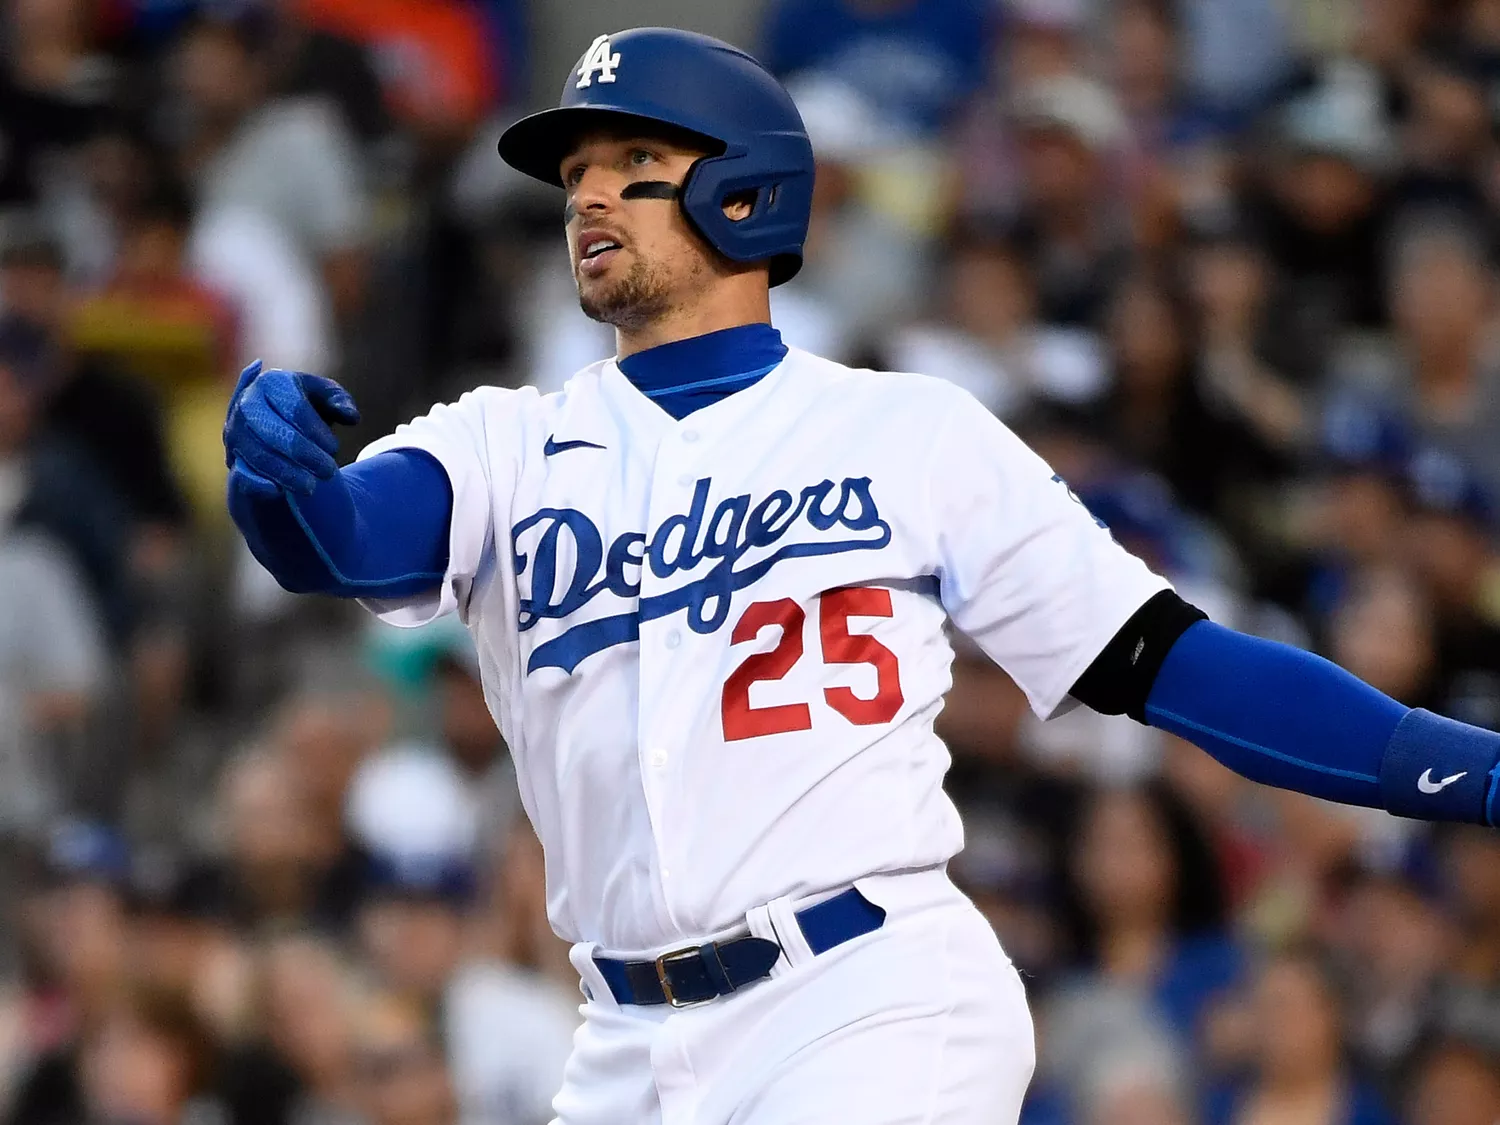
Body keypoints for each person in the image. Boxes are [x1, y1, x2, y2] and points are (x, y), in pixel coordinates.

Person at [223, 28, 1500, 1125]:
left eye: (631, 165)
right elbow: (340, 539)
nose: (589, 198)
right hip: (624, 1040)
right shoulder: (501, 443)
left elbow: (1171, 662)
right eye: (575, 174)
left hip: (863, 996)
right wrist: (274, 478)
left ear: (743, 191)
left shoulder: (906, 435)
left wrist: (1459, 764)